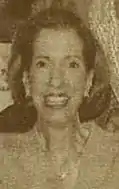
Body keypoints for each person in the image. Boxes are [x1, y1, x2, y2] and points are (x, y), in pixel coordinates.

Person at [0, 6, 119, 189]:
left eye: (72, 64)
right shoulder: (4, 160)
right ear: (26, 79)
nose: (56, 80)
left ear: (88, 80)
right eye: (42, 64)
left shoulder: (114, 155)